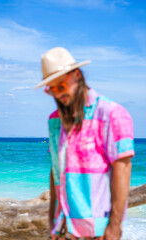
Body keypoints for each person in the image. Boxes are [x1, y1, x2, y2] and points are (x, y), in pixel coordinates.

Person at [34, 47, 135, 240]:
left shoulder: (111, 114)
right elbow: (56, 171)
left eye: (60, 86)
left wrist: (114, 227)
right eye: (51, 89)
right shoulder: (54, 122)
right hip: (63, 229)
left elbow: (123, 169)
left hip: (97, 230)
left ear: (77, 75)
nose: (57, 94)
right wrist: (53, 222)